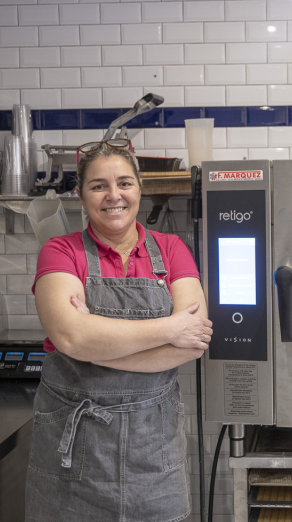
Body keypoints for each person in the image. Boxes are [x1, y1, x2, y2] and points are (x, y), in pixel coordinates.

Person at [25, 140, 212, 522]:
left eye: (124, 183)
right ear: (81, 195)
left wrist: (93, 346)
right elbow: (71, 337)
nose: (114, 195)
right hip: (75, 453)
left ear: (140, 189)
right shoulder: (60, 251)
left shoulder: (172, 249)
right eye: (99, 186)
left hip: (154, 450)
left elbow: (192, 342)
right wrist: (169, 328)